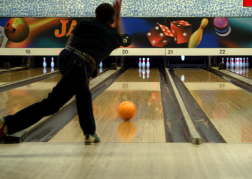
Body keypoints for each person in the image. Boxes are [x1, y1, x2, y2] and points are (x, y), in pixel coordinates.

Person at [0, 0, 123, 145]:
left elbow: (70, 41)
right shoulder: (115, 37)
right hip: (81, 65)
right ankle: (6, 124)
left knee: (83, 93)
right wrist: (118, 14)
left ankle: (90, 132)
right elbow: (118, 31)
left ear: (96, 17)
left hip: (65, 57)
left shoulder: (84, 23)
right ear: (112, 20)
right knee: (51, 105)